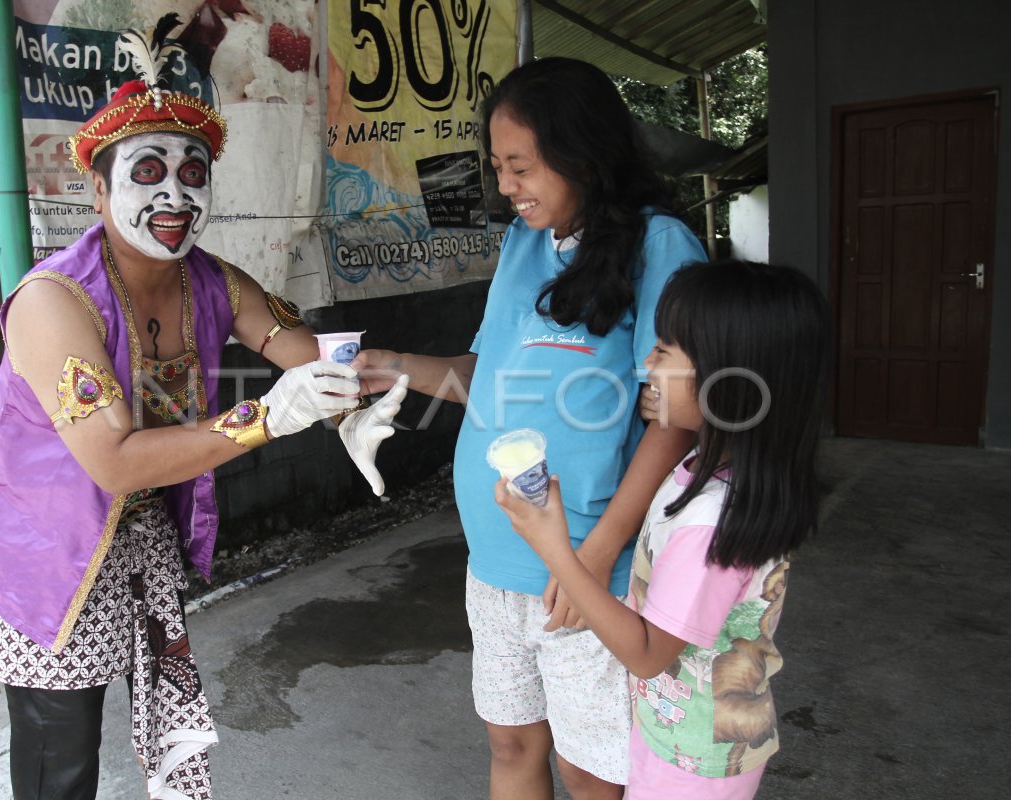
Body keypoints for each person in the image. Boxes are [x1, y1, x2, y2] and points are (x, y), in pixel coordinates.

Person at [0, 21, 406, 800]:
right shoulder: (52, 301)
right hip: (45, 551)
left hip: (140, 542)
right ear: (98, 189)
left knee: (167, 731)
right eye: (149, 171)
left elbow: (303, 353)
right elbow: (113, 458)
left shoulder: (211, 279)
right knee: (59, 758)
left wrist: (349, 407)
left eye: (193, 173)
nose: (175, 194)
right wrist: (270, 417)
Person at [352, 57, 704, 799]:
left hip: (583, 566)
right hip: (494, 559)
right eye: (498, 167)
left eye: (520, 166)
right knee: (511, 742)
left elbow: (675, 424)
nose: (506, 186)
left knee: (590, 769)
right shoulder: (523, 245)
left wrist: (595, 555)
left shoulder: (660, 246)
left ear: (582, 153)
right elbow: (488, 375)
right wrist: (392, 364)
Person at [496, 259, 831, 799]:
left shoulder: (713, 525)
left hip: (696, 762)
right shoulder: (706, 469)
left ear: (728, 380)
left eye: (665, 350)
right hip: (678, 735)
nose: (647, 361)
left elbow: (649, 653)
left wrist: (553, 546)